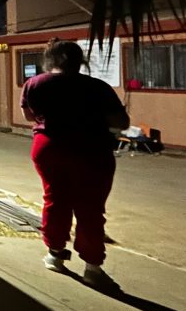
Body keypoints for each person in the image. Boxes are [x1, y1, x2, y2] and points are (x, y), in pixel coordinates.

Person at [20, 38, 130, 291]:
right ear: (79, 61)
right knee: (90, 206)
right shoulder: (98, 87)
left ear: (49, 60)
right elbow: (121, 122)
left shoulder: (35, 84)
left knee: (55, 199)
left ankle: (55, 254)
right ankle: (92, 267)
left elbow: (29, 115)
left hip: (49, 148)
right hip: (91, 150)